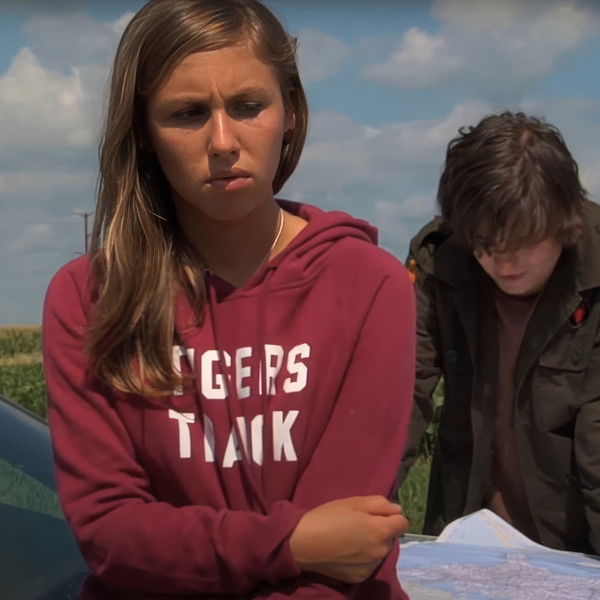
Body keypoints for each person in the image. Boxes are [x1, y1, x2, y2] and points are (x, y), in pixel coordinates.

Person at [42, 0, 416, 598]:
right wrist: (290, 543)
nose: (223, 141)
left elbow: (348, 548)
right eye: (187, 114)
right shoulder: (89, 297)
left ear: (290, 111)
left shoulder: (369, 283)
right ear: (143, 132)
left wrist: (289, 547)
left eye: (248, 106)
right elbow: (112, 536)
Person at [403, 110, 600, 554]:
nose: (505, 265)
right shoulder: (438, 261)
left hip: (577, 547)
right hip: (465, 538)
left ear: (564, 221)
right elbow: (399, 396)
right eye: (486, 245)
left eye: (524, 244)